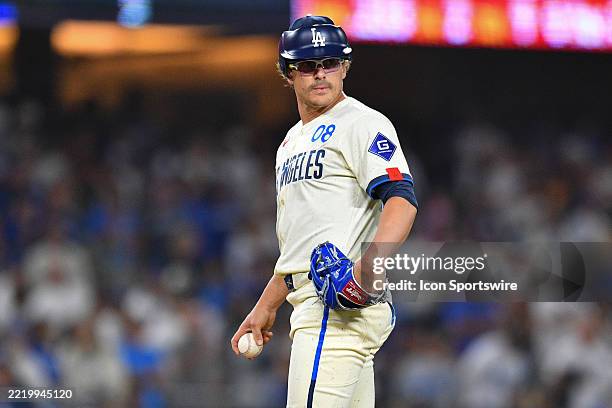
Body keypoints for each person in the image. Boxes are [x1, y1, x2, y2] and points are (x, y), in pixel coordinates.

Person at [231, 15, 418, 407]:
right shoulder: (289, 142)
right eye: (307, 65)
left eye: (329, 63)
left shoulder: (361, 122)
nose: (320, 74)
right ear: (288, 73)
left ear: (344, 66)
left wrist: (370, 267)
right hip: (313, 307)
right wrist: (266, 306)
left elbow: (401, 197)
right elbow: (301, 246)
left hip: (333, 311)